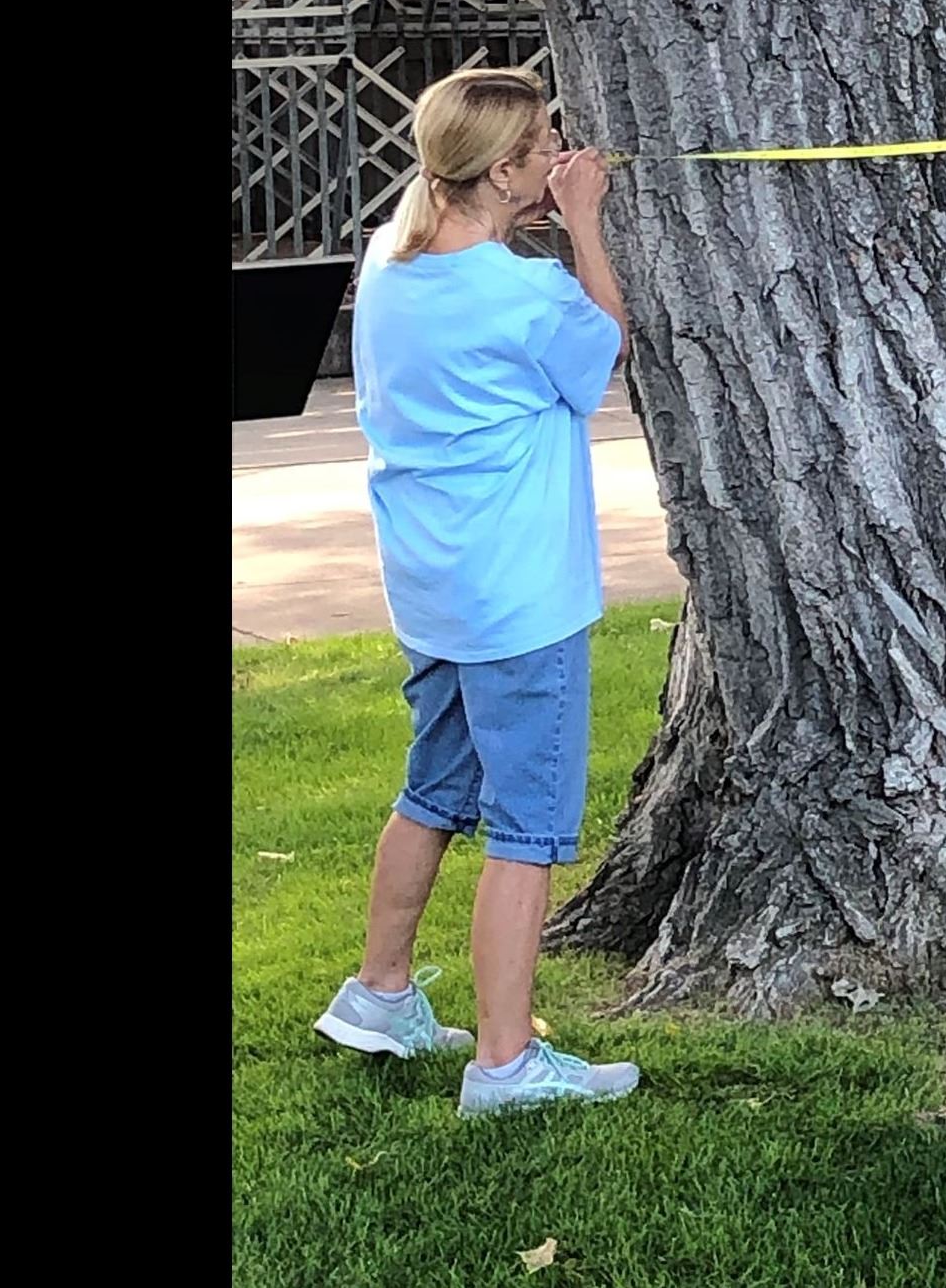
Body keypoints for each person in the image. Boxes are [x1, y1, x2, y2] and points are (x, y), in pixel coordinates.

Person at [309, 67, 647, 1110]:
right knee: (528, 830)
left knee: (431, 791)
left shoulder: (392, 262)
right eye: (543, 146)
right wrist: (584, 223)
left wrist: (545, 204)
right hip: (521, 599)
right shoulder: (525, 293)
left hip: (435, 589)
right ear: (502, 171)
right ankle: (505, 1061)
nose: (557, 155)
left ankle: (379, 993)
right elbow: (603, 353)